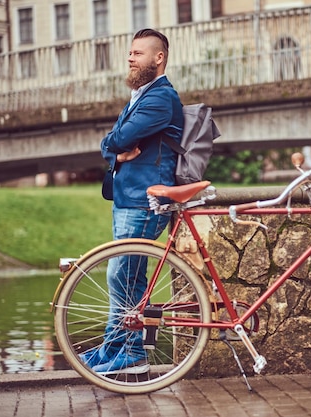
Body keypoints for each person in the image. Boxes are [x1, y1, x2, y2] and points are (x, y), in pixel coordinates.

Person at [81, 28, 184, 375]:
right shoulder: (141, 96)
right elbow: (109, 143)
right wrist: (116, 153)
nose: (130, 57)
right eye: (130, 52)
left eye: (138, 53)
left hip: (145, 200)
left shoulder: (160, 98)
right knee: (130, 279)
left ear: (159, 58)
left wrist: (115, 147)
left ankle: (132, 352)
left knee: (119, 274)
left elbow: (120, 137)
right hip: (128, 199)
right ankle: (114, 349)